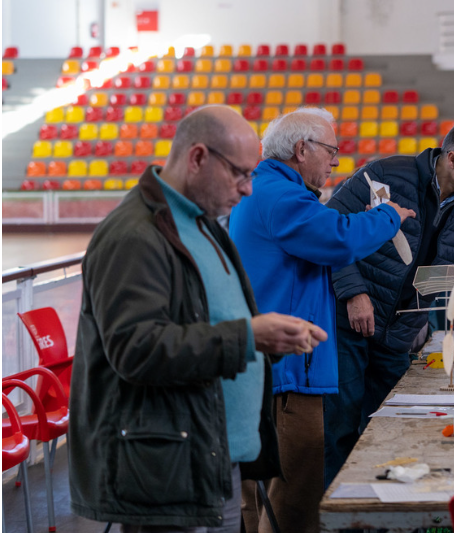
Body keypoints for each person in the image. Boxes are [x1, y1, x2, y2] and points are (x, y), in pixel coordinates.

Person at [68, 106, 326, 532]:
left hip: (208, 456)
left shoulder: (203, 225)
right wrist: (248, 338)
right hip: (166, 470)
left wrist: (268, 337)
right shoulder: (134, 236)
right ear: (198, 158)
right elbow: (136, 349)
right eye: (241, 174)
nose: (247, 190)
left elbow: (210, 322)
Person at [322, 119, 454, 486]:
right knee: (340, 428)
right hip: (351, 323)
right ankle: (336, 510)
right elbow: (329, 228)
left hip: (399, 333)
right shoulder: (384, 175)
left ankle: (381, 509)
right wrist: (353, 291)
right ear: (452, 159)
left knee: (389, 429)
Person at [228, 108, 415, 533]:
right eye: (331, 150)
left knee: (263, 501)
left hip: (274, 368)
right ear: (301, 149)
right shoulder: (281, 196)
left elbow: (329, 231)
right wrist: (390, 216)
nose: (335, 161)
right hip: (288, 373)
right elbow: (338, 238)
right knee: (294, 496)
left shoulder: (271, 190)